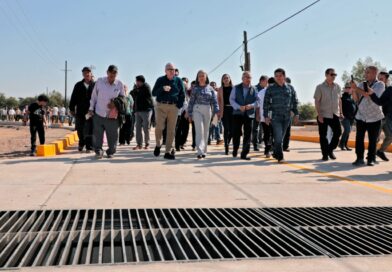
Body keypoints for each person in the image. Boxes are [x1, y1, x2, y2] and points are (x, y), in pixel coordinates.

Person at [351, 66, 385, 166]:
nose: (365, 74)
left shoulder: (380, 84)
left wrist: (356, 88)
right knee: (359, 139)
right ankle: (359, 158)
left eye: (368, 72)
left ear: (374, 73)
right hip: (361, 116)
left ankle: (371, 159)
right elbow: (357, 100)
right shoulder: (362, 84)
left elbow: (370, 96)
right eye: (365, 72)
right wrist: (354, 91)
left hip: (375, 117)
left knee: (373, 139)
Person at [89, 65, 125, 159]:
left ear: (116, 74)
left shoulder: (119, 84)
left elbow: (123, 98)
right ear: (107, 72)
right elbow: (94, 97)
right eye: (111, 72)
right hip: (99, 113)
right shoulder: (100, 82)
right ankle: (98, 151)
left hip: (112, 116)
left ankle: (110, 151)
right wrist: (91, 108)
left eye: (114, 73)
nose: (112, 74)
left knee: (112, 135)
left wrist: (115, 103)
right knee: (97, 134)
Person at [264, 68, 299, 163]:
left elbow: (295, 101)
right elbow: (266, 103)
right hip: (275, 117)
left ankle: (275, 152)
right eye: (276, 76)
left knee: (280, 138)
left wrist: (296, 114)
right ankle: (280, 157)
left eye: (280, 76)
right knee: (278, 137)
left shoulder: (290, 88)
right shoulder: (270, 88)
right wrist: (266, 116)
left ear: (284, 76)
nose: (278, 78)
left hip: (287, 117)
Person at [152, 63, 185, 160]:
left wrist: (178, 106)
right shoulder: (160, 80)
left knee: (171, 130)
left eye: (173, 69)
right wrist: (162, 89)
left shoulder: (178, 81)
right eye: (169, 69)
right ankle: (158, 144)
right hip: (161, 106)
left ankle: (167, 152)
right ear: (165, 71)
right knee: (159, 127)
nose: (171, 71)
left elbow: (182, 94)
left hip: (173, 107)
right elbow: (154, 93)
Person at [188, 70, 219, 159]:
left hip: (207, 109)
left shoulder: (210, 89)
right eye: (199, 76)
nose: (201, 77)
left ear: (206, 77)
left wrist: (217, 110)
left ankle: (204, 150)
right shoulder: (195, 89)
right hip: (197, 109)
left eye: (203, 76)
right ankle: (200, 151)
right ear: (197, 78)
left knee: (206, 131)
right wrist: (190, 113)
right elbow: (191, 102)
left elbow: (214, 101)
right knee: (199, 130)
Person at [314, 68, 343, 161]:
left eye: (335, 75)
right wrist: (319, 114)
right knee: (323, 136)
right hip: (323, 114)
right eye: (331, 74)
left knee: (338, 132)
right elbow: (317, 101)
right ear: (326, 75)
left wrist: (341, 112)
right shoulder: (320, 87)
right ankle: (325, 155)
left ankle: (330, 150)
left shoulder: (337, 87)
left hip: (335, 114)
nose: (333, 76)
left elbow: (339, 100)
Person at [230, 71, 258, 160]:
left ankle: (244, 154)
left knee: (248, 134)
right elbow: (231, 100)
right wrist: (238, 107)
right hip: (237, 114)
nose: (248, 79)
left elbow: (258, 101)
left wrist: (252, 105)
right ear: (242, 78)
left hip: (249, 114)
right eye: (246, 77)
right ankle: (235, 149)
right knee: (236, 133)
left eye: (249, 77)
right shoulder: (236, 88)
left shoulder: (254, 89)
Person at [69, 66, 96, 152]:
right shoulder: (78, 85)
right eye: (84, 73)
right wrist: (72, 108)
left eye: (88, 72)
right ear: (83, 74)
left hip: (91, 111)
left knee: (89, 128)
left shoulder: (95, 85)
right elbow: (73, 97)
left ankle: (89, 146)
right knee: (80, 129)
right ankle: (81, 142)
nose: (86, 74)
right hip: (80, 111)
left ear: (91, 74)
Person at [368, 71, 392, 161]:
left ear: (386, 79)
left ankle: (380, 151)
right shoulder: (374, 88)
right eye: (379, 78)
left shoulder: (388, 89)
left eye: (381, 79)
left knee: (390, 136)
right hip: (376, 116)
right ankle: (371, 155)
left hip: (387, 117)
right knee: (375, 137)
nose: (379, 80)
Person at [133, 75, 154, 150]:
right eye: (136, 81)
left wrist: (138, 90)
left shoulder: (146, 87)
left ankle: (147, 144)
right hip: (138, 111)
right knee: (138, 128)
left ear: (141, 81)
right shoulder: (137, 88)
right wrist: (135, 90)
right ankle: (139, 144)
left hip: (146, 110)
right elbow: (133, 95)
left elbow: (145, 95)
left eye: (138, 81)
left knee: (146, 128)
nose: (136, 83)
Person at [255, 75, 272, 157]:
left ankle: (272, 148)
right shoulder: (261, 93)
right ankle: (267, 150)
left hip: (276, 117)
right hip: (264, 117)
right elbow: (257, 105)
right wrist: (258, 115)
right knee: (267, 134)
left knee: (274, 134)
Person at [218, 74, 234, 155]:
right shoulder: (220, 89)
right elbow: (218, 101)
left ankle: (228, 141)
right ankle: (226, 146)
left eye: (227, 78)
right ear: (222, 80)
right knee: (226, 128)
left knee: (232, 130)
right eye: (224, 78)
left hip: (233, 110)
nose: (226, 79)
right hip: (224, 110)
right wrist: (218, 112)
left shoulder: (234, 88)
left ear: (230, 79)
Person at [339, 82, 357, 151]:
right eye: (347, 88)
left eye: (350, 88)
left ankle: (345, 145)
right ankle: (341, 144)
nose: (349, 89)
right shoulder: (342, 98)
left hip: (351, 118)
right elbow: (339, 106)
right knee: (347, 130)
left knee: (348, 132)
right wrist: (341, 114)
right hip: (345, 117)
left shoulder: (351, 98)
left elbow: (355, 106)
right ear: (344, 89)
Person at [175, 77, 190, 151]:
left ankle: (182, 142)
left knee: (186, 130)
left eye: (185, 85)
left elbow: (189, 103)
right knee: (178, 130)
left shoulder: (189, 93)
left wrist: (187, 112)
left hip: (186, 112)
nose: (184, 87)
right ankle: (177, 145)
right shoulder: (176, 93)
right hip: (177, 113)